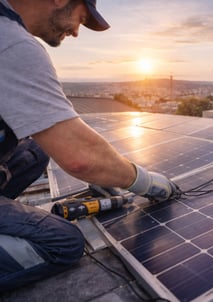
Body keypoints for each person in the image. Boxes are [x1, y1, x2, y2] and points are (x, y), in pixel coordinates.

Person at [0, 0, 180, 292]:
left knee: (35, 151)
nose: (76, 32)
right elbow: (80, 158)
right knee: (63, 242)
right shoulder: (12, 42)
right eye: (80, 19)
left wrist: (109, 172)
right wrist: (142, 181)